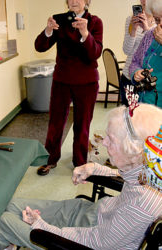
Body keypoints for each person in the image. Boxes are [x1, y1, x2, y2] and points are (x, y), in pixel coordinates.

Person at [0, 103, 162, 249]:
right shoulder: (151, 168)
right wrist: (95, 168)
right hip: (91, 213)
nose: (104, 142)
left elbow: (94, 243)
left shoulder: (141, 206)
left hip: (84, 238)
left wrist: (41, 226)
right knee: (8, 206)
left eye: (111, 139)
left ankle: (3, 238)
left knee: (2, 223)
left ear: (136, 151)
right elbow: (130, 175)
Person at [34, 0, 103, 175]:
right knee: (55, 123)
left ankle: (80, 162)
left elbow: (95, 53)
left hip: (87, 82)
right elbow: (40, 47)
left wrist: (85, 33)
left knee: (82, 124)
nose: (73, 1)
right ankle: (49, 158)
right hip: (62, 81)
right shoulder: (59, 19)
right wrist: (48, 30)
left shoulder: (95, 22)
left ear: (87, 1)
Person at [120, 0, 155, 106]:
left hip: (151, 79)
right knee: (130, 114)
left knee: (148, 117)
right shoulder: (130, 20)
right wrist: (134, 29)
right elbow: (127, 50)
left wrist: (147, 29)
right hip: (129, 77)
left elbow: (155, 49)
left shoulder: (159, 23)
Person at [130, 0, 162, 108]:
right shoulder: (149, 35)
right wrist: (136, 73)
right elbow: (135, 61)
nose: (160, 24)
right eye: (157, 19)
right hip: (144, 101)